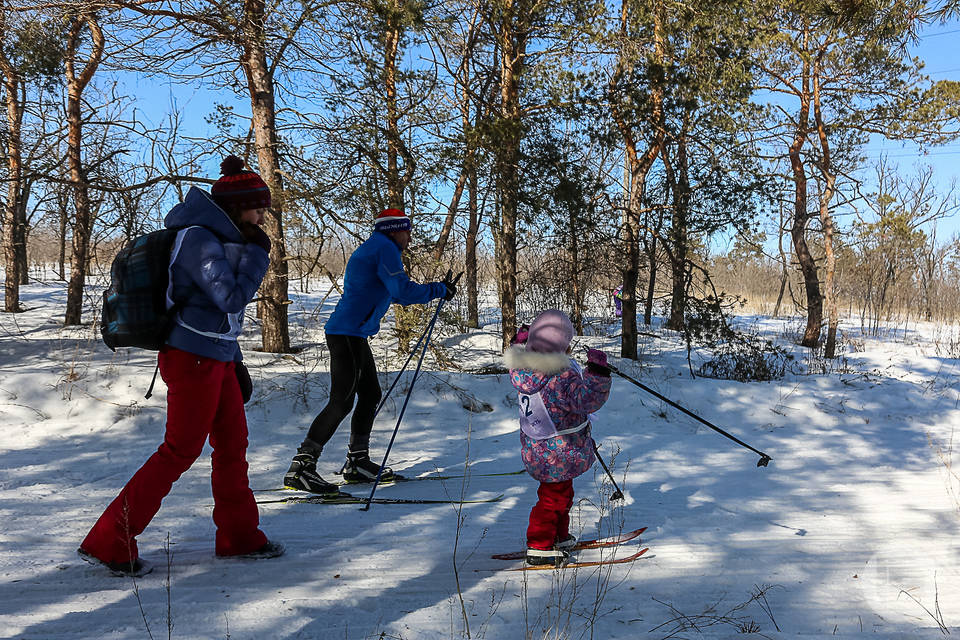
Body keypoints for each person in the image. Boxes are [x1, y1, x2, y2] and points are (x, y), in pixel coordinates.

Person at [79, 156, 284, 577]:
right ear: (234, 207)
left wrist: (236, 362)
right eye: (256, 206)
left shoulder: (228, 240)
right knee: (181, 450)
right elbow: (230, 299)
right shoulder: (198, 239)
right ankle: (110, 539)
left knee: (233, 446)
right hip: (190, 358)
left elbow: (224, 318)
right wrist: (259, 257)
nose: (262, 214)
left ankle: (239, 536)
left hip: (218, 356)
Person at [283, 208, 457, 494]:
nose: (409, 238)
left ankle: (357, 462)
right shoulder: (383, 248)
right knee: (341, 401)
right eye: (407, 232)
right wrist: (438, 289)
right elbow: (401, 291)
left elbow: (392, 292)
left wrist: (434, 290)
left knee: (370, 394)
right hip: (346, 333)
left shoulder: (379, 247)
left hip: (353, 333)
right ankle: (302, 467)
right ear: (395, 231)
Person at [504, 309, 612, 566]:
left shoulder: (523, 369)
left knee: (561, 494)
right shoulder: (560, 377)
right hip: (558, 451)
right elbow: (586, 400)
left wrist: (519, 343)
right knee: (554, 498)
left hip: (538, 449)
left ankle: (558, 535)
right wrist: (598, 373)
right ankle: (539, 543)